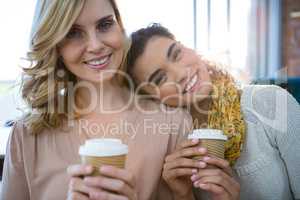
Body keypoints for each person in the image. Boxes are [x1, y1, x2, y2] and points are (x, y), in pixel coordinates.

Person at [0, 2, 203, 200]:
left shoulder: (173, 124)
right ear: (55, 44)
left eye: (105, 25)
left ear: (120, 27)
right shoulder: (27, 135)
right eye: (73, 33)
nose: (95, 46)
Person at [126, 23, 300, 200]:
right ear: (152, 99)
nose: (180, 74)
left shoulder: (270, 102)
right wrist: (183, 194)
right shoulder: (170, 149)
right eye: (161, 78)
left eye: (176, 54)